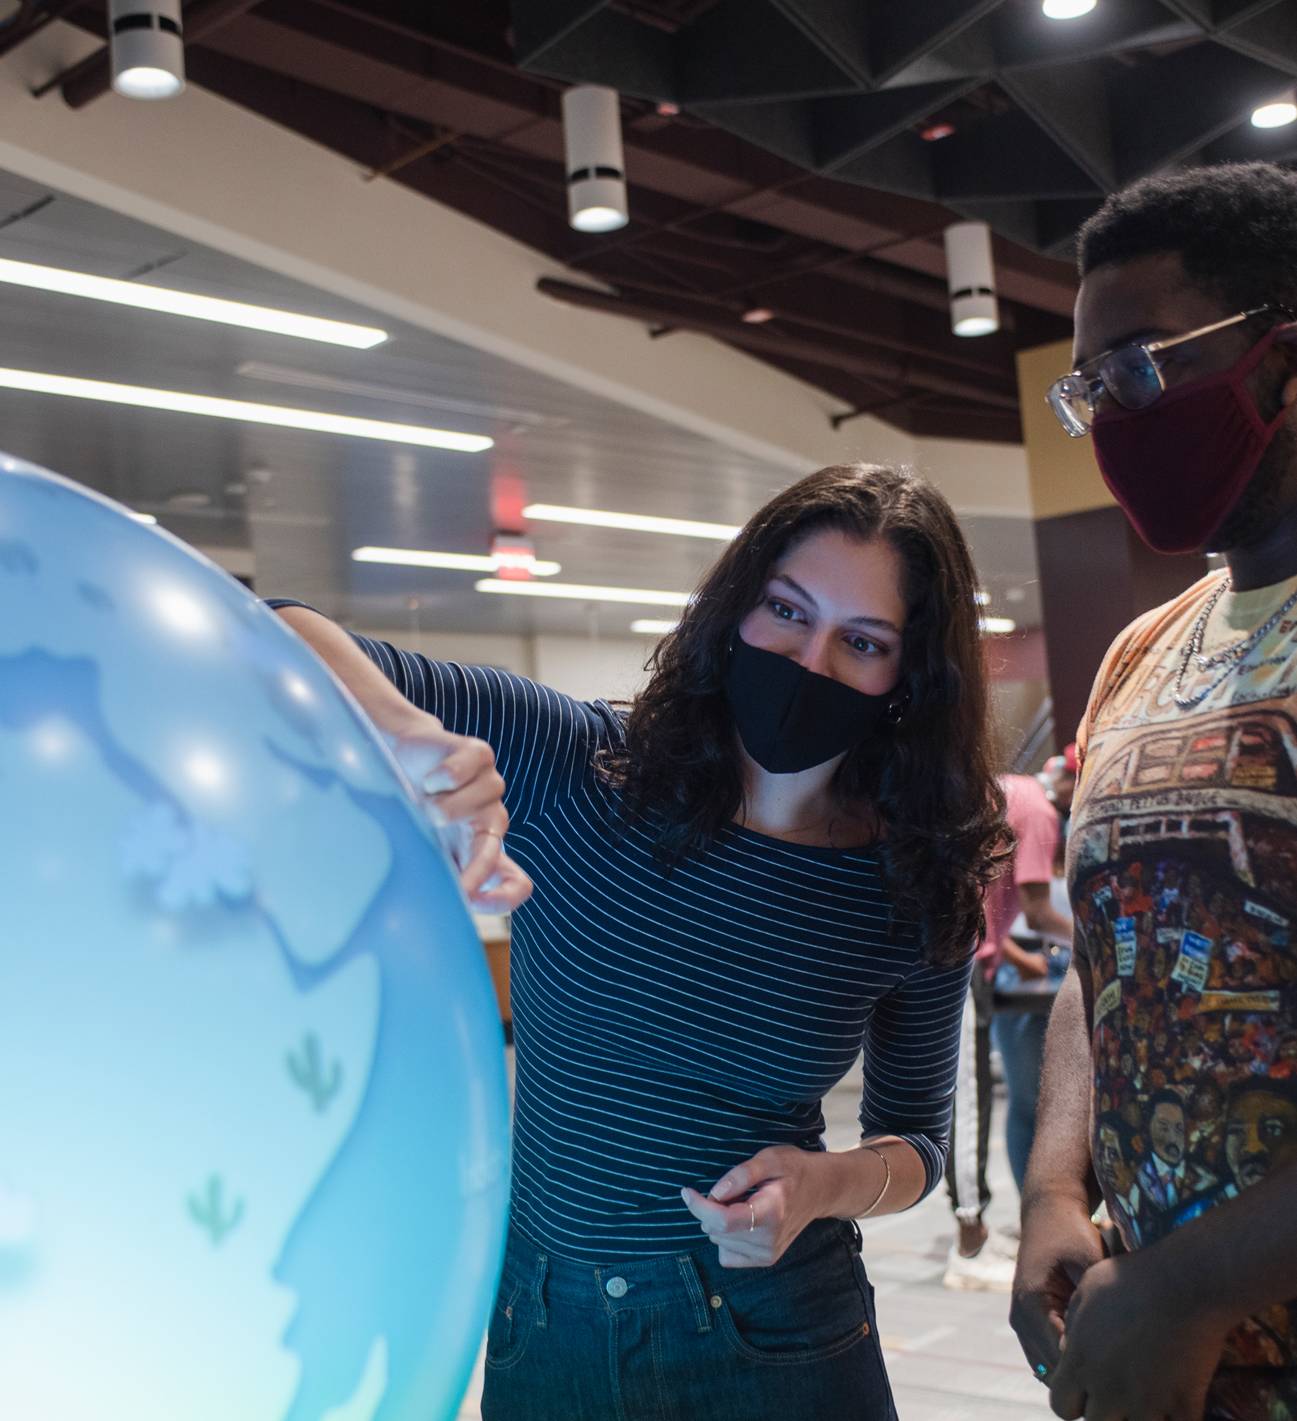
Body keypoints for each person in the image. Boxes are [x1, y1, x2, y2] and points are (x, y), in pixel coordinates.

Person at [273, 464, 1009, 1420]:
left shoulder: (915, 872)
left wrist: (824, 1185)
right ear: (737, 606)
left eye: (859, 640)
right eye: (786, 610)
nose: (809, 660)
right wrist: (410, 737)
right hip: (547, 1321)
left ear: (906, 677)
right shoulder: (573, 765)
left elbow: (915, 1139)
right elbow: (277, 630)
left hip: (774, 1325)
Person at [1010, 161, 1297, 1421]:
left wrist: (1185, 1285)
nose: (1114, 418)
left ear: (1280, 363)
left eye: (1136, 366)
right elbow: (1096, 957)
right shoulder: (1141, 649)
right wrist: (1052, 1190)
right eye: (1089, 389)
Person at [943, 771, 1070, 1291]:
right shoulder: (1036, 808)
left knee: (967, 1101)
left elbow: (988, 905)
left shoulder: (1004, 789)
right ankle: (969, 1246)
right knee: (969, 1104)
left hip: (957, 953)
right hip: (956, 962)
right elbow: (1039, 912)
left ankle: (976, 1227)